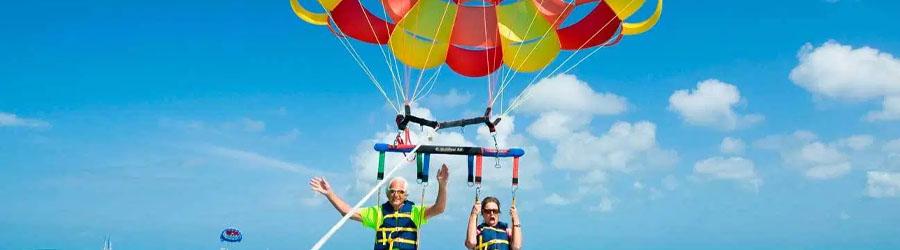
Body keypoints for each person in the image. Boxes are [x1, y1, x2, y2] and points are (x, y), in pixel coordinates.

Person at [309, 164, 449, 250]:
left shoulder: (415, 212)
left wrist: (442, 185)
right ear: (388, 194)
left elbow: (439, 208)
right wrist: (329, 193)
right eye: (392, 191)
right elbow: (347, 212)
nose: (396, 195)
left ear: (406, 195)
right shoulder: (378, 213)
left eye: (400, 192)